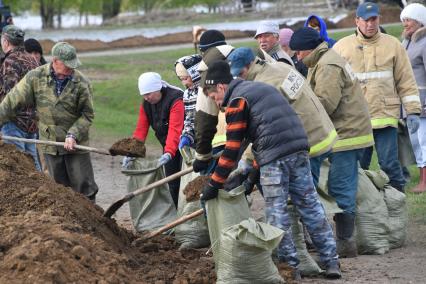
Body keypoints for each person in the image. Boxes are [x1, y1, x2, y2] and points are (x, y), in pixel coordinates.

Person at [200, 60, 341, 279]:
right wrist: (250, 173)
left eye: (213, 97)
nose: (217, 103)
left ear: (220, 87)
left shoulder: (236, 101)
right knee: (310, 205)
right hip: (299, 149)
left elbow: (233, 149)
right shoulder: (259, 88)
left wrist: (214, 183)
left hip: (276, 158)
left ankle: (290, 268)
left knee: (277, 213)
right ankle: (332, 262)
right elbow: (261, 135)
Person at [290, 27, 374, 257]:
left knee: (340, 186)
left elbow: (324, 104)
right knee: (337, 183)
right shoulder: (322, 60)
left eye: (299, 53)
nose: (297, 57)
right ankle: (337, 239)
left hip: (347, 134)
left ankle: (346, 243)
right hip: (340, 131)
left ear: (310, 49)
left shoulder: (327, 65)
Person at [333, 2, 421, 193]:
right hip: (356, 119)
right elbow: (333, 84)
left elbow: (406, 80)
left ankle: (397, 204)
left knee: (389, 164)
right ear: (357, 21)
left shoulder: (393, 45)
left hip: (385, 116)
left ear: (379, 19)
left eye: (374, 19)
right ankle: (363, 207)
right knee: (359, 167)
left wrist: (413, 111)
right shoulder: (341, 47)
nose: (370, 24)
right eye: (365, 20)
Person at [0, 42, 99, 202]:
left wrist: (73, 134)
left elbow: (87, 114)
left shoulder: (81, 82)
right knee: (58, 190)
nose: (71, 69)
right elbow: (11, 102)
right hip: (50, 143)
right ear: (55, 61)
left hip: (76, 144)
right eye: (67, 65)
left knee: (84, 188)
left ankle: (93, 225)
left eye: (73, 65)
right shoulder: (35, 77)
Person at [227, 47, 337, 163]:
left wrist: (247, 159)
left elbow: (267, 129)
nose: (240, 78)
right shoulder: (280, 66)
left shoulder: (264, 85)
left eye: (241, 73)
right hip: (325, 131)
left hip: (310, 143)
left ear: (250, 64)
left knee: (307, 181)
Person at [132, 72, 184, 207]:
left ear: (158, 89)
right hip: (168, 146)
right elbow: (141, 129)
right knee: (172, 182)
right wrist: (132, 151)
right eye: (143, 94)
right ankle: (176, 213)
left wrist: (169, 152)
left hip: (185, 145)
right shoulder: (147, 104)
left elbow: (175, 129)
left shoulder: (175, 99)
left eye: (149, 94)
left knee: (184, 181)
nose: (146, 97)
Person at [0, 25, 41, 171]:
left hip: (14, 122)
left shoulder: (10, 61)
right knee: (33, 164)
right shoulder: (33, 60)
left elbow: (10, 96)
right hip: (32, 121)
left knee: (17, 166)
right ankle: (46, 190)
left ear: (5, 41)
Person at [193, 29, 234, 173]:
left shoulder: (208, 72)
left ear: (203, 52)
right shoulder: (241, 57)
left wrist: (202, 156)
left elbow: (205, 118)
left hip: (233, 136)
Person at [401, 3, 426, 193]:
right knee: (416, 142)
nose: (405, 24)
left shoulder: (424, 43)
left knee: (423, 141)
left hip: (423, 103)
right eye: (403, 20)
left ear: (419, 21)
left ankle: (425, 181)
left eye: (408, 19)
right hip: (410, 104)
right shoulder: (406, 42)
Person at [174, 54, 202, 150]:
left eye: (186, 78)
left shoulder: (211, 91)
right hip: (197, 143)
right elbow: (190, 119)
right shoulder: (187, 94)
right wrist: (187, 135)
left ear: (196, 74)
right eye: (181, 79)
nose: (184, 83)